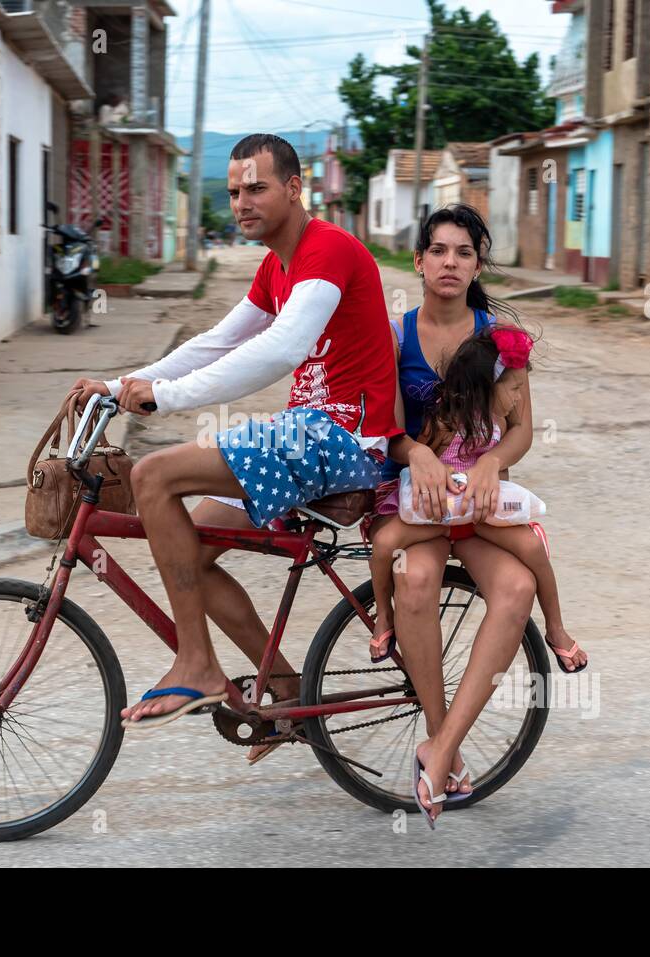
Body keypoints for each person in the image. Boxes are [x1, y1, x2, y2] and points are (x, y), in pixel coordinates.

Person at [69, 133, 402, 733]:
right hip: (306, 432)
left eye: (256, 187)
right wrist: (125, 382)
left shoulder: (328, 250)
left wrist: (166, 397)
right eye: (232, 192)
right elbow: (218, 341)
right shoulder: (277, 265)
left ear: (295, 188)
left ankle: (195, 664)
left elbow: (283, 348)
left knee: (153, 474)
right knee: (189, 550)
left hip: (344, 437)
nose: (241, 202)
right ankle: (285, 690)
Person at [366, 326, 586, 683]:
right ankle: (384, 617)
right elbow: (422, 464)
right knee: (384, 545)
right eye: (514, 388)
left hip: (481, 517)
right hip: (438, 515)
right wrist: (442, 475)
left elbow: (501, 467)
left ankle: (556, 627)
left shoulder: (498, 425)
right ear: (486, 387)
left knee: (532, 548)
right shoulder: (443, 421)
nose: (519, 399)